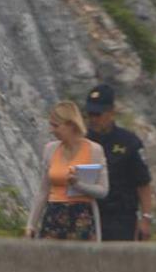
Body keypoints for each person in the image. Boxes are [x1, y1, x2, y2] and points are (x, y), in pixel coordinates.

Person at [26, 101, 109, 241]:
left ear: (71, 125)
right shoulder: (50, 150)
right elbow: (43, 191)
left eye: (56, 126)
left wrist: (78, 185)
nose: (52, 130)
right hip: (53, 215)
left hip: (81, 217)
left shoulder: (94, 150)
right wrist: (31, 225)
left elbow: (103, 190)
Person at [84, 84, 154, 241]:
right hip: (89, 215)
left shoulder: (129, 142)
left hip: (120, 218)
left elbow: (143, 183)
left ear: (111, 113)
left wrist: (146, 218)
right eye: (90, 114)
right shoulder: (82, 142)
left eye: (98, 114)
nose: (93, 119)